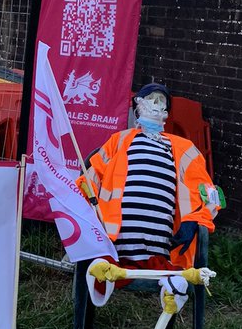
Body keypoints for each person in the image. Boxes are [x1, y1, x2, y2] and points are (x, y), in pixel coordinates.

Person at [78, 81, 222, 271]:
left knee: (170, 275)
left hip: (164, 248)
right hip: (113, 242)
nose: (155, 104)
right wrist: (84, 212)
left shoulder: (185, 149)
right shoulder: (119, 141)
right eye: (150, 99)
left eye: (161, 101)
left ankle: (170, 288)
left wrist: (196, 220)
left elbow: (213, 195)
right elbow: (89, 179)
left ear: (167, 111)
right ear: (138, 107)